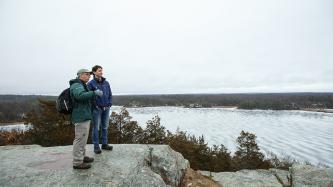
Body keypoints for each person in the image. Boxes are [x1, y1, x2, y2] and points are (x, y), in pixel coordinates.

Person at [70, 68, 104, 169]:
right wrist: (94, 93)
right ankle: (77, 162)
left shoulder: (82, 85)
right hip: (80, 116)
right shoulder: (76, 85)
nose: (89, 76)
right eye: (86, 74)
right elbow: (80, 96)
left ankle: (82, 157)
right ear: (80, 75)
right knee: (80, 139)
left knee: (83, 139)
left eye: (89, 75)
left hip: (84, 115)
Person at [88, 65, 113, 154]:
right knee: (96, 128)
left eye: (102, 70)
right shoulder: (91, 84)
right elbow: (89, 97)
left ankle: (104, 144)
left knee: (105, 127)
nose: (101, 72)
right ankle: (96, 146)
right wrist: (95, 105)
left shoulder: (106, 83)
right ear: (94, 72)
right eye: (99, 71)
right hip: (97, 109)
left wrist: (109, 103)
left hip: (106, 108)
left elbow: (110, 94)